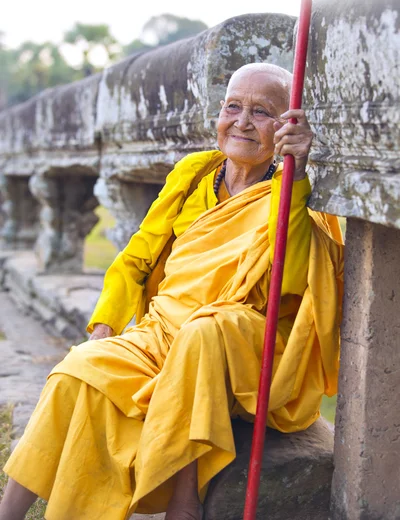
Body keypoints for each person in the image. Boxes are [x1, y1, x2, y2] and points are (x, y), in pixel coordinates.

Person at [0, 63, 343, 520]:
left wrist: (297, 176)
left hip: (242, 344)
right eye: (233, 106)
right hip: (163, 331)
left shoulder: (294, 189)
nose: (241, 121)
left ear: (285, 128)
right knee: (76, 369)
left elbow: (297, 275)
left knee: (204, 331)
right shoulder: (196, 174)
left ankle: (185, 500)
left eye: (262, 112)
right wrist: (104, 325)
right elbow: (137, 256)